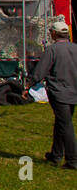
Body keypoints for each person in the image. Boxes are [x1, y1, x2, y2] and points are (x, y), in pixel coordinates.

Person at [31, 18, 77, 169]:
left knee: (66, 125)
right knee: (62, 122)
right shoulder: (75, 48)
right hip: (73, 92)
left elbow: (40, 72)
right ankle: (56, 154)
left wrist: (27, 86)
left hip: (59, 92)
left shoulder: (52, 50)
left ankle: (72, 160)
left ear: (55, 34)